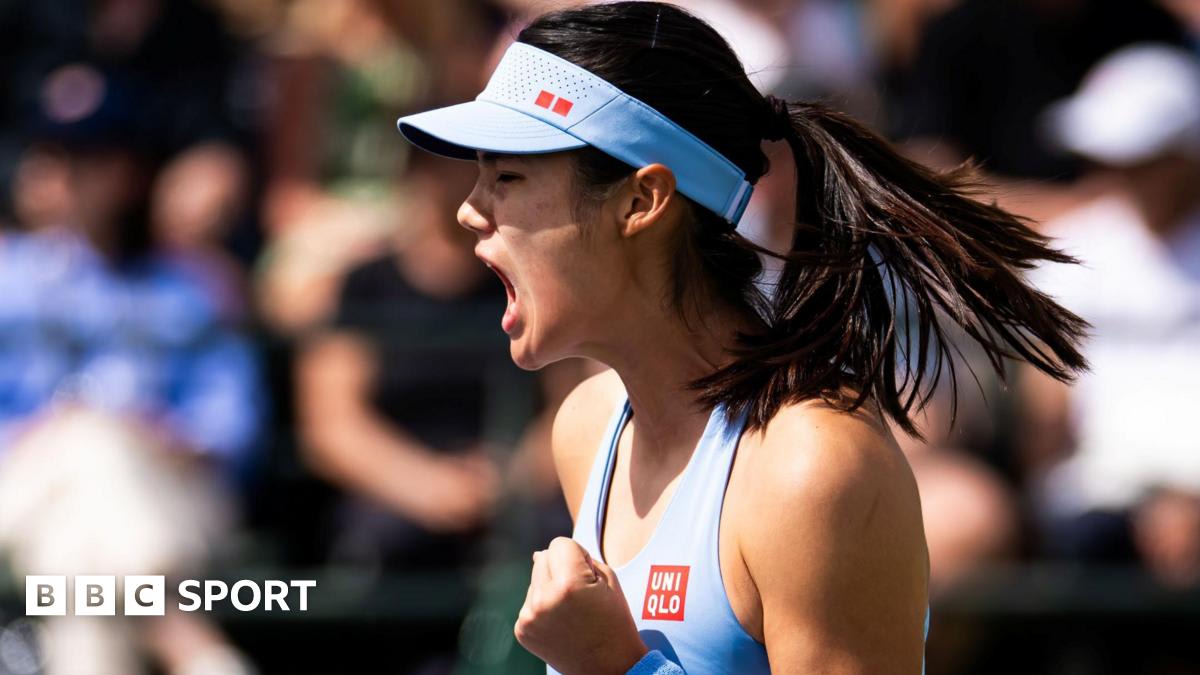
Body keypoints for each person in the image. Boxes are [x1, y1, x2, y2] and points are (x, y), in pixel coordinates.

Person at [395, 3, 1088, 673]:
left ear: (642, 201)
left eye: (507, 177)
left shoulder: (813, 468)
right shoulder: (587, 426)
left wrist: (613, 667)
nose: (468, 210)